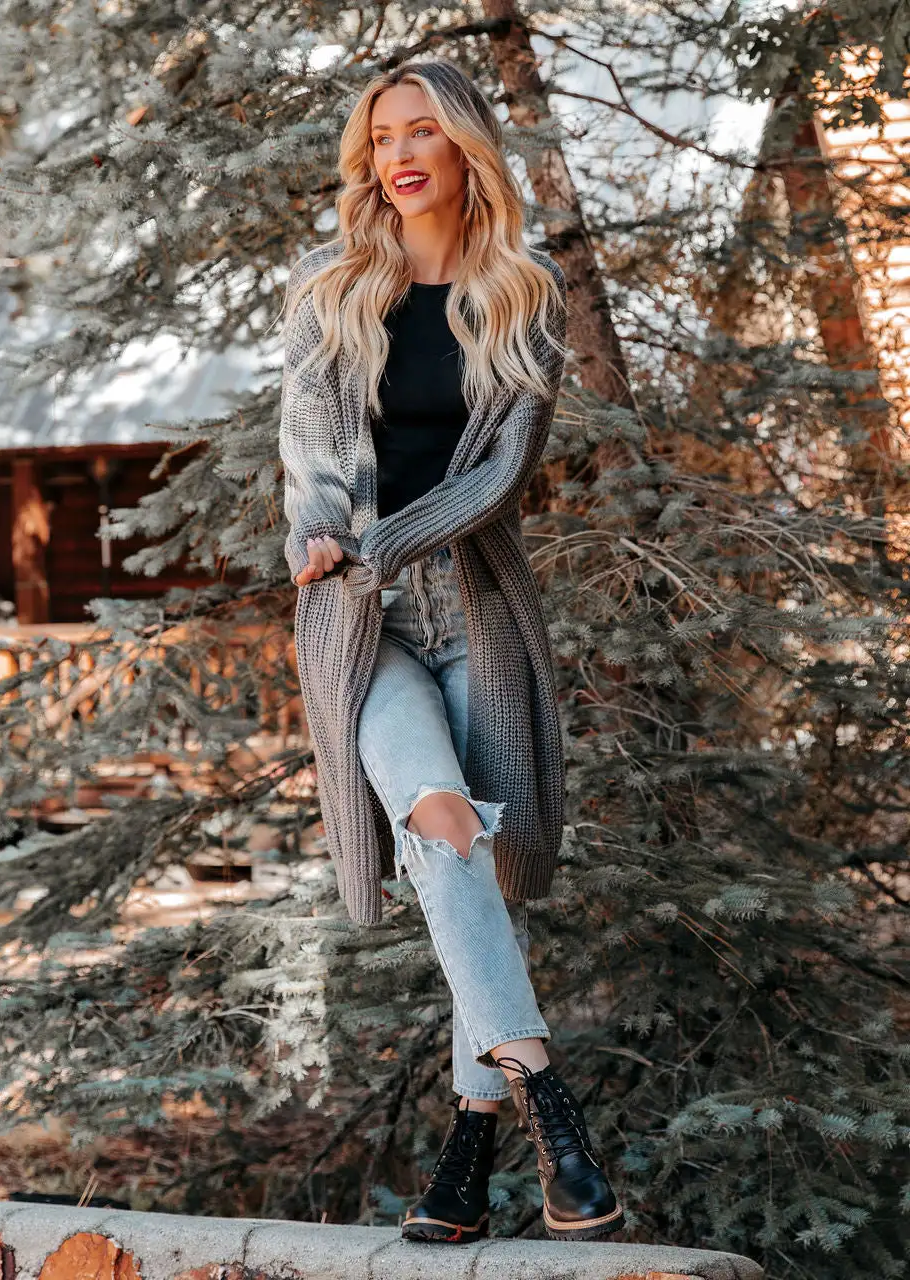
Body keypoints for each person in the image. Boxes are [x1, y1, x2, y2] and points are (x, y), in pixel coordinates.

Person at [278, 58, 623, 1244]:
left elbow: (501, 475)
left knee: (472, 853)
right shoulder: (329, 289)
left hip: (474, 606)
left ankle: (470, 1151)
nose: (400, 154)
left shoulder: (522, 293)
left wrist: (379, 541)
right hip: (357, 623)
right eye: (383, 138)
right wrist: (320, 537)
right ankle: (551, 1109)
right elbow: (307, 456)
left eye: (422, 131)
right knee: (436, 816)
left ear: (465, 145)